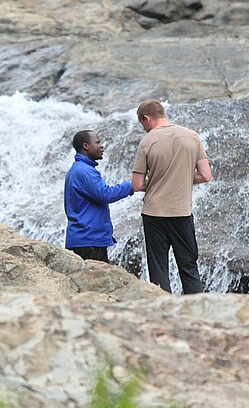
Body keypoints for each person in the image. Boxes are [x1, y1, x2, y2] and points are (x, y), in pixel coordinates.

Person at [131, 99, 212, 294]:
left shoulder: (148, 141)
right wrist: (181, 177)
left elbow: (137, 184)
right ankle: (199, 312)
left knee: (158, 269)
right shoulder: (192, 136)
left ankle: (163, 313)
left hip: (154, 213)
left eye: (142, 124)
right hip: (181, 212)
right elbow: (206, 175)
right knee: (189, 267)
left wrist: (158, 178)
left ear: (147, 118)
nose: (144, 129)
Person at [64, 130, 134, 262]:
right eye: (97, 142)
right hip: (89, 241)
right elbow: (105, 194)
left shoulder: (77, 169)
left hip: (83, 239)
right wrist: (131, 186)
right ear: (86, 146)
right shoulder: (85, 171)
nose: (101, 146)